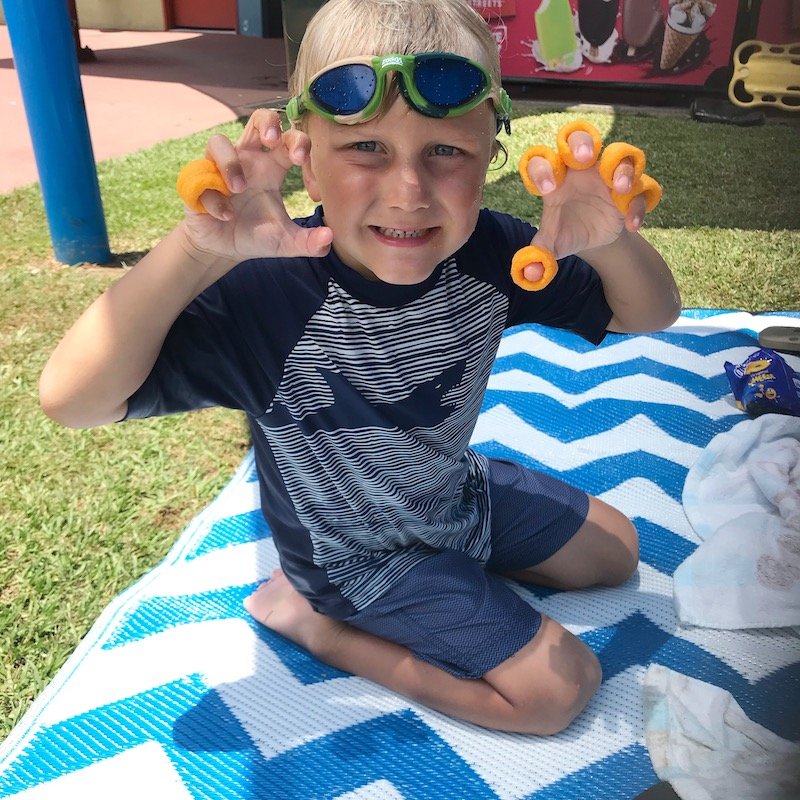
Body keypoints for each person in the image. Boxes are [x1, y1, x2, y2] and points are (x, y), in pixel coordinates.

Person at [39, 0, 680, 735]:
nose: (408, 189)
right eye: (366, 148)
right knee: (555, 692)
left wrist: (606, 241)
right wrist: (198, 252)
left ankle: (453, 573)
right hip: (357, 558)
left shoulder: (496, 256)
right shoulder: (265, 295)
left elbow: (648, 313)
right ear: (305, 162)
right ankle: (320, 626)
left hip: (452, 496)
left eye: (446, 152)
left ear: (489, 157)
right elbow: (71, 399)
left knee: (617, 552)